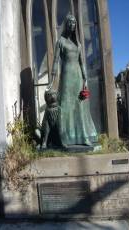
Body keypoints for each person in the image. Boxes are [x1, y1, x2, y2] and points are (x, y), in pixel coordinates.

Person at [47, 14, 97, 146]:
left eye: (74, 23)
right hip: (67, 77)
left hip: (78, 77)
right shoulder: (61, 42)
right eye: (69, 23)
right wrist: (52, 80)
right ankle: (65, 137)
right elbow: (56, 61)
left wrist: (85, 79)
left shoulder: (78, 44)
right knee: (65, 106)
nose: (72, 25)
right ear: (66, 24)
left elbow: (82, 63)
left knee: (80, 106)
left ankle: (83, 136)